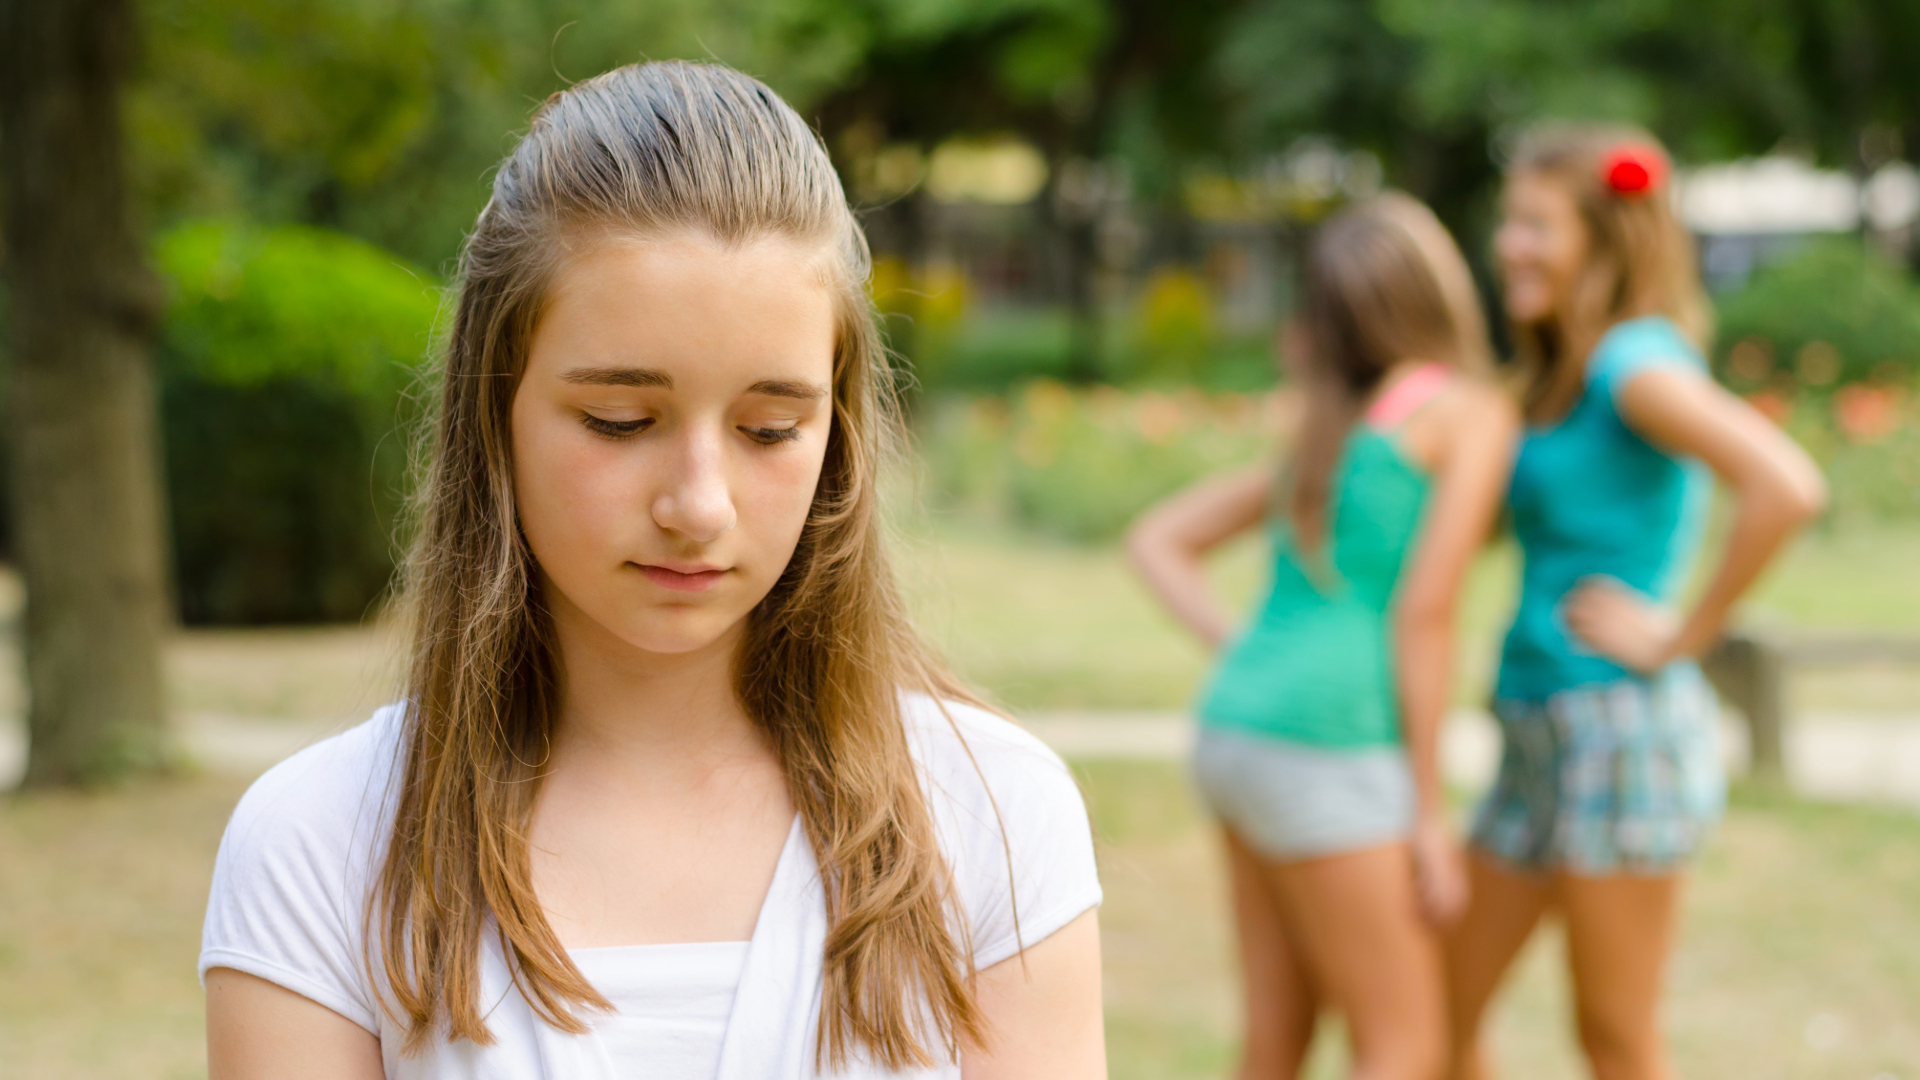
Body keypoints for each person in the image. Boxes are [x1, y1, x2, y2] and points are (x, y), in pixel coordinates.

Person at [199, 61, 1106, 1080]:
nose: (699, 504)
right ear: (492, 412)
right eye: (620, 422)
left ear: (837, 436)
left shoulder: (991, 816)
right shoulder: (321, 844)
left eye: (771, 429)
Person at [1443, 125, 1826, 1080]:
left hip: (1616, 726)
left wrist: (1682, 638)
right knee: (1439, 1016)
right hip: (1535, 726)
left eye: (1537, 224)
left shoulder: (1633, 363)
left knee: (1614, 1040)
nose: (1509, 246)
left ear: (1605, 240)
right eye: (1508, 223)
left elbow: (1785, 485)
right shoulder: (1555, 375)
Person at [1128, 192, 1518, 1080]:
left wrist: (1242, 649)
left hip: (1237, 732)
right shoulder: (1465, 413)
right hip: (1335, 742)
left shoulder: (1324, 428)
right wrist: (1429, 809)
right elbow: (1427, 615)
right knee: (1407, 1046)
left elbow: (1155, 539)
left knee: (1278, 1035)